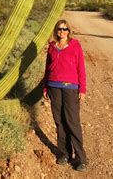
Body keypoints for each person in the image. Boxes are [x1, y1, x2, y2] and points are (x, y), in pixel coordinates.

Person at [43, 19, 87, 171]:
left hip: (70, 88)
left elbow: (81, 68)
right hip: (53, 87)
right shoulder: (52, 47)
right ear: (56, 31)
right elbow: (47, 68)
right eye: (59, 29)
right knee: (59, 122)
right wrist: (45, 87)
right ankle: (64, 154)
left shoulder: (75, 45)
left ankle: (81, 158)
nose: (62, 32)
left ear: (69, 31)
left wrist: (82, 89)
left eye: (65, 29)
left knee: (72, 122)